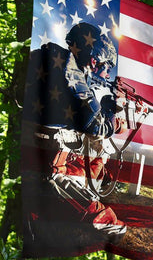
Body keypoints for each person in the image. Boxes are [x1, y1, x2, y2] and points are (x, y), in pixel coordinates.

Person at [48, 22, 127, 242]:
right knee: (59, 179)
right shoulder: (72, 74)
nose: (107, 73)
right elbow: (96, 127)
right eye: (107, 66)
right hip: (52, 159)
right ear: (94, 59)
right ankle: (103, 222)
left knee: (95, 160)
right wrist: (112, 111)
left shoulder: (59, 61)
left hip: (55, 148)